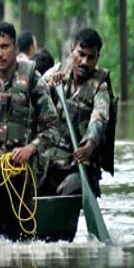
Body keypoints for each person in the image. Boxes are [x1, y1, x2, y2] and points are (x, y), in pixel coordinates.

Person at [0, 21, 60, 236]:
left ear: (15, 49)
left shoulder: (33, 81)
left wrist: (30, 149)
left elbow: (53, 128)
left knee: (23, 233)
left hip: (20, 170)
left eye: (4, 47)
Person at [41, 27, 115, 197]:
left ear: (97, 58)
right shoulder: (54, 74)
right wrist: (48, 89)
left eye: (90, 57)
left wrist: (89, 144)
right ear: (72, 49)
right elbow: (29, 102)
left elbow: (100, 117)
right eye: (81, 54)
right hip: (49, 164)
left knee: (70, 189)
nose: (84, 62)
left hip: (79, 166)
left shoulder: (100, 87)